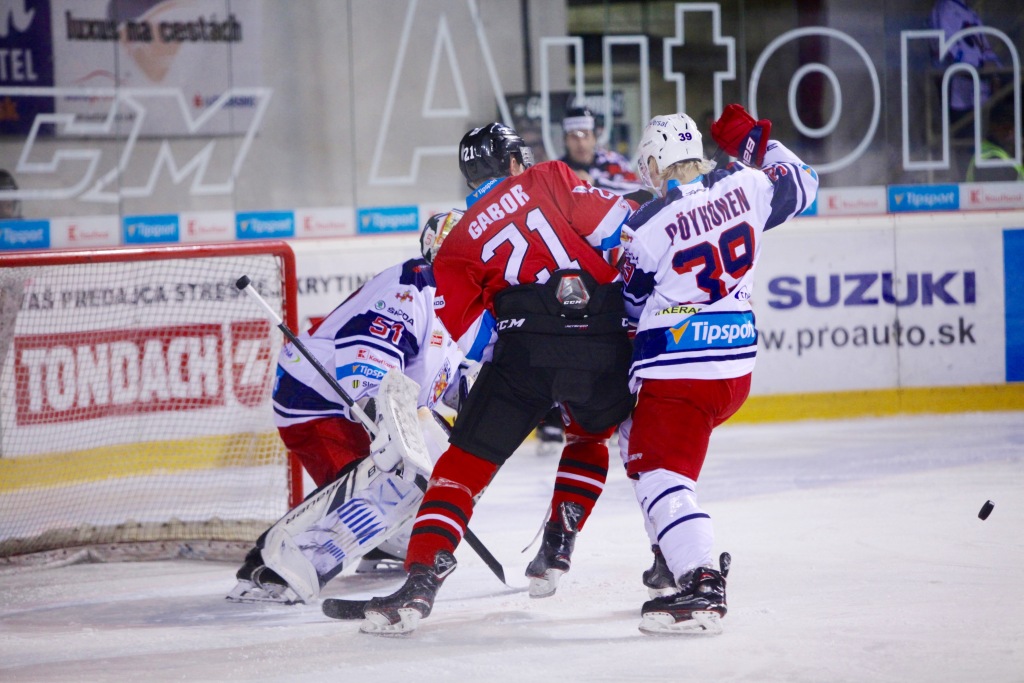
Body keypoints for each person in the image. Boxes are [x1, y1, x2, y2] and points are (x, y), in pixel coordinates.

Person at [355, 123, 635, 634]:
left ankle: (422, 579)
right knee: (589, 436)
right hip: (604, 343)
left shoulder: (458, 242)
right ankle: (559, 543)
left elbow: (477, 342)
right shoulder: (550, 176)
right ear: (511, 162)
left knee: (461, 468)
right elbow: (622, 229)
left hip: (524, 353)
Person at [618, 104, 818, 634]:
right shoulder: (747, 184)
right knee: (635, 438)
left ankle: (700, 582)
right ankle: (669, 552)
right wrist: (755, 143)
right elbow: (805, 180)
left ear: (656, 164)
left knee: (659, 472)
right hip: (734, 367)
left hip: (681, 371)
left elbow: (630, 308)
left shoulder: (647, 224)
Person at [228, 214, 470, 603]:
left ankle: (382, 542)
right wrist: (392, 435)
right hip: (315, 397)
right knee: (374, 482)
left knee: (418, 470)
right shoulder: (411, 288)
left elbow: (451, 376)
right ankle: (269, 567)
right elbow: (368, 363)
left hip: (354, 401)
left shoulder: (466, 300)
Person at [966, 97, 1024, 182]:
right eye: (1005, 127)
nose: (1010, 132)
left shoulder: (1004, 153)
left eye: (1014, 128)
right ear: (992, 127)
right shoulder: (991, 160)